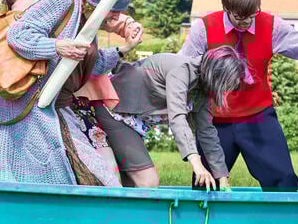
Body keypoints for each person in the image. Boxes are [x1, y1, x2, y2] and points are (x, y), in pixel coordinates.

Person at [0, 0, 141, 186]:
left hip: (54, 107)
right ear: (101, 6)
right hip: (31, 105)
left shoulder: (87, 25)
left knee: (79, 174)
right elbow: (18, 36)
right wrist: (58, 46)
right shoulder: (65, 3)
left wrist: (124, 49)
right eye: (114, 13)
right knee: (37, 175)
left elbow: (90, 66)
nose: (116, 19)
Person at [180, 0, 298, 191]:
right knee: (206, 188)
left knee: (285, 184)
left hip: (258, 116)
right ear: (226, 8)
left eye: (252, 14)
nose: (247, 22)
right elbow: (182, 70)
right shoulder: (203, 28)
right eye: (240, 17)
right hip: (214, 120)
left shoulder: (271, 26)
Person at [95, 47, 247, 191]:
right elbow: (178, 118)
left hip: (131, 118)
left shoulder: (202, 88)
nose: (225, 92)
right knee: (147, 182)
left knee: (130, 183)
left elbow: (207, 132)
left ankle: (126, 218)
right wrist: (197, 164)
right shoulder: (181, 71)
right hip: (114, 108)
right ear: (217, 76)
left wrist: (222, 177)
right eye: (225, 86)